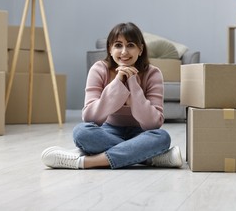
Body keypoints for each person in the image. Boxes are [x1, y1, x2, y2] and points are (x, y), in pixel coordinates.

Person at [41, 22, 183, 169]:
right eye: (118, 45)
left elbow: (153, 123)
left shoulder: (153, 73)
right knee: (81, 132)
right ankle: (150, 157)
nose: (124, 52)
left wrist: (133, 84)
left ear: (140, 49)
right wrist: (118, 83)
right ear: (109, 48)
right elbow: (90, 117)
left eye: (130, 45)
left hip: (141, 133)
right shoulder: (98, 69)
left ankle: (85, 161)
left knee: (162, 137)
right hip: (109, 131)